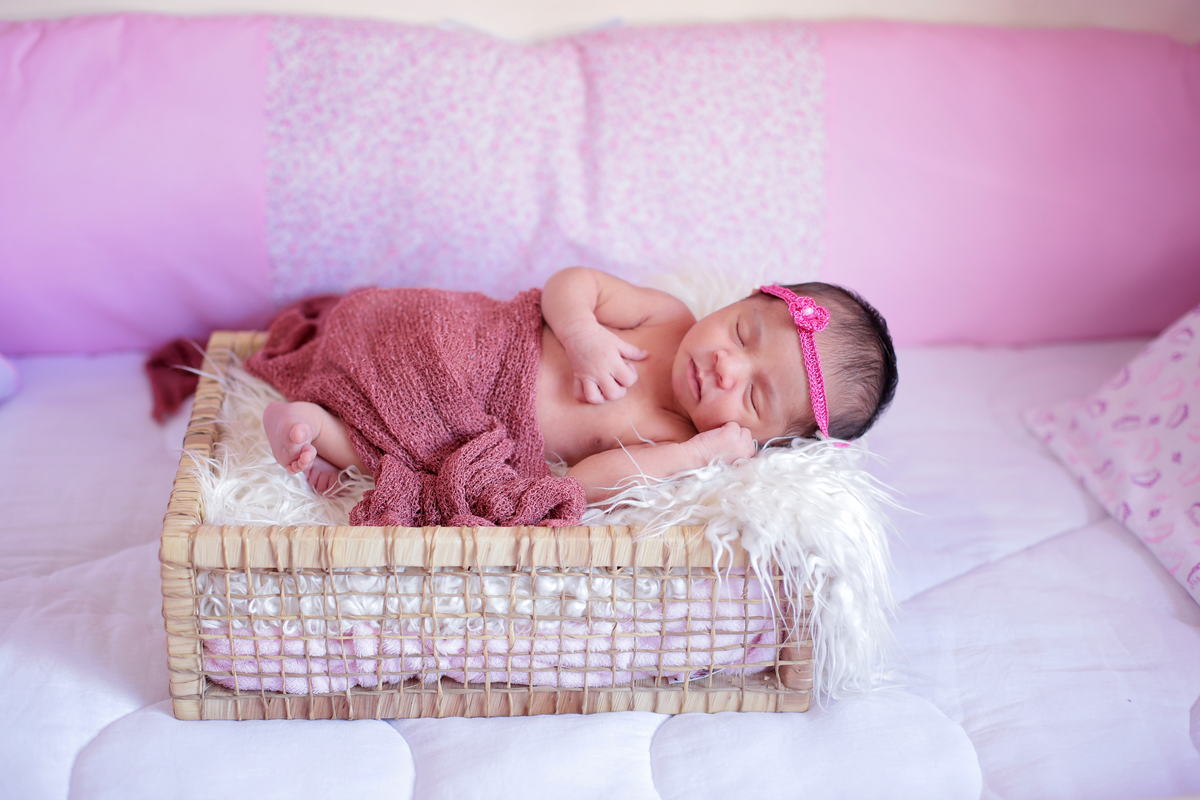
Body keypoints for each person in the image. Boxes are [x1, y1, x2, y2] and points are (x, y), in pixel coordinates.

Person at [260, 266, 897, 505]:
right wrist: (580, 332)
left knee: (420, 458)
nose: (727, 365)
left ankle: (313, 424)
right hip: (475, 339)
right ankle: (344, 356)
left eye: (753, 396)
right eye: (741, 331)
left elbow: (581, 486)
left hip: (474, 420)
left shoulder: (671, 437)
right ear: (738, 301)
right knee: (409, 323)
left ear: (759, 440)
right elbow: (575, 283)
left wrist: (697, 454)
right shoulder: (666, 317)